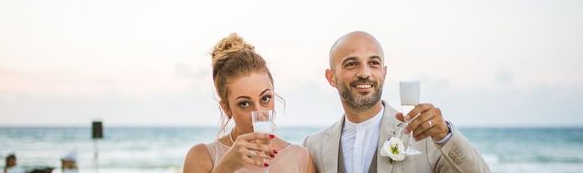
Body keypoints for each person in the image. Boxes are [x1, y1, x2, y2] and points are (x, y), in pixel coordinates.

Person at [304, 31, 491, 173]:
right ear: (331, 77)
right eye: (351, 63)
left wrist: (445, 136)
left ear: (384, 73)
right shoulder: (313, 146)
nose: (364, 73)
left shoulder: (426, 138)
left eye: (374, 63)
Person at [184, 33, 316, 173]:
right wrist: (226, 167)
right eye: (244, 104)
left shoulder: (300, 158)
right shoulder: (202, 158)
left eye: (265, 99)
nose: (259, 113)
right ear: (226, 108)